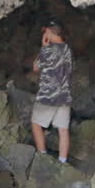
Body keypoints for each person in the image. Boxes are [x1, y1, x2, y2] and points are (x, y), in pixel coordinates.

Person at [31, 19, 73, 164]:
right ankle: (62, 162)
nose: (44, 33)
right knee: (63, 129)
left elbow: (35, 67)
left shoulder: (48, 49)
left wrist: (43, 47)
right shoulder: (67, 49)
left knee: (36, 124)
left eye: (45, 31)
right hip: (64, 96)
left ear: (50, 32)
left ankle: (43, 157)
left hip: (47, 96)